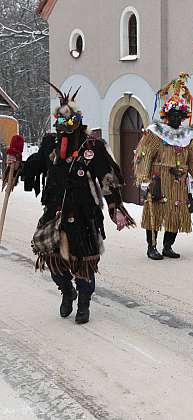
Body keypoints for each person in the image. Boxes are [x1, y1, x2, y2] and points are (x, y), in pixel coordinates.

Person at [17, 83, 135, 324]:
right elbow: (36, 164)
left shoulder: (92, 147)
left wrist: (116, 208)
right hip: (54, 212)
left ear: (77, 121)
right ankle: (67, 291)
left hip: (84, 214)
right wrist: (16, 164)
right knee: (53, 260)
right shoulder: (50, 144)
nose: (63, 126)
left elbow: (107, 178)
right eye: (59, 121)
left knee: (85, 263)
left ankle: (83, 302)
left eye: (67, 121)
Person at [134, 72, 193, 260]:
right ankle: (151, 247)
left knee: (176, 212)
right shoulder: (155, 132)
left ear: (183, 116)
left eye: (179, 115)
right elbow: (145, 155)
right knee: (155, 212)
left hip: (179, 181)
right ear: (167, 115)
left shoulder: (189, 136)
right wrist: (143, 178)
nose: (176, 118)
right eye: (173, 114)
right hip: (159, 178)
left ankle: (168, 245)